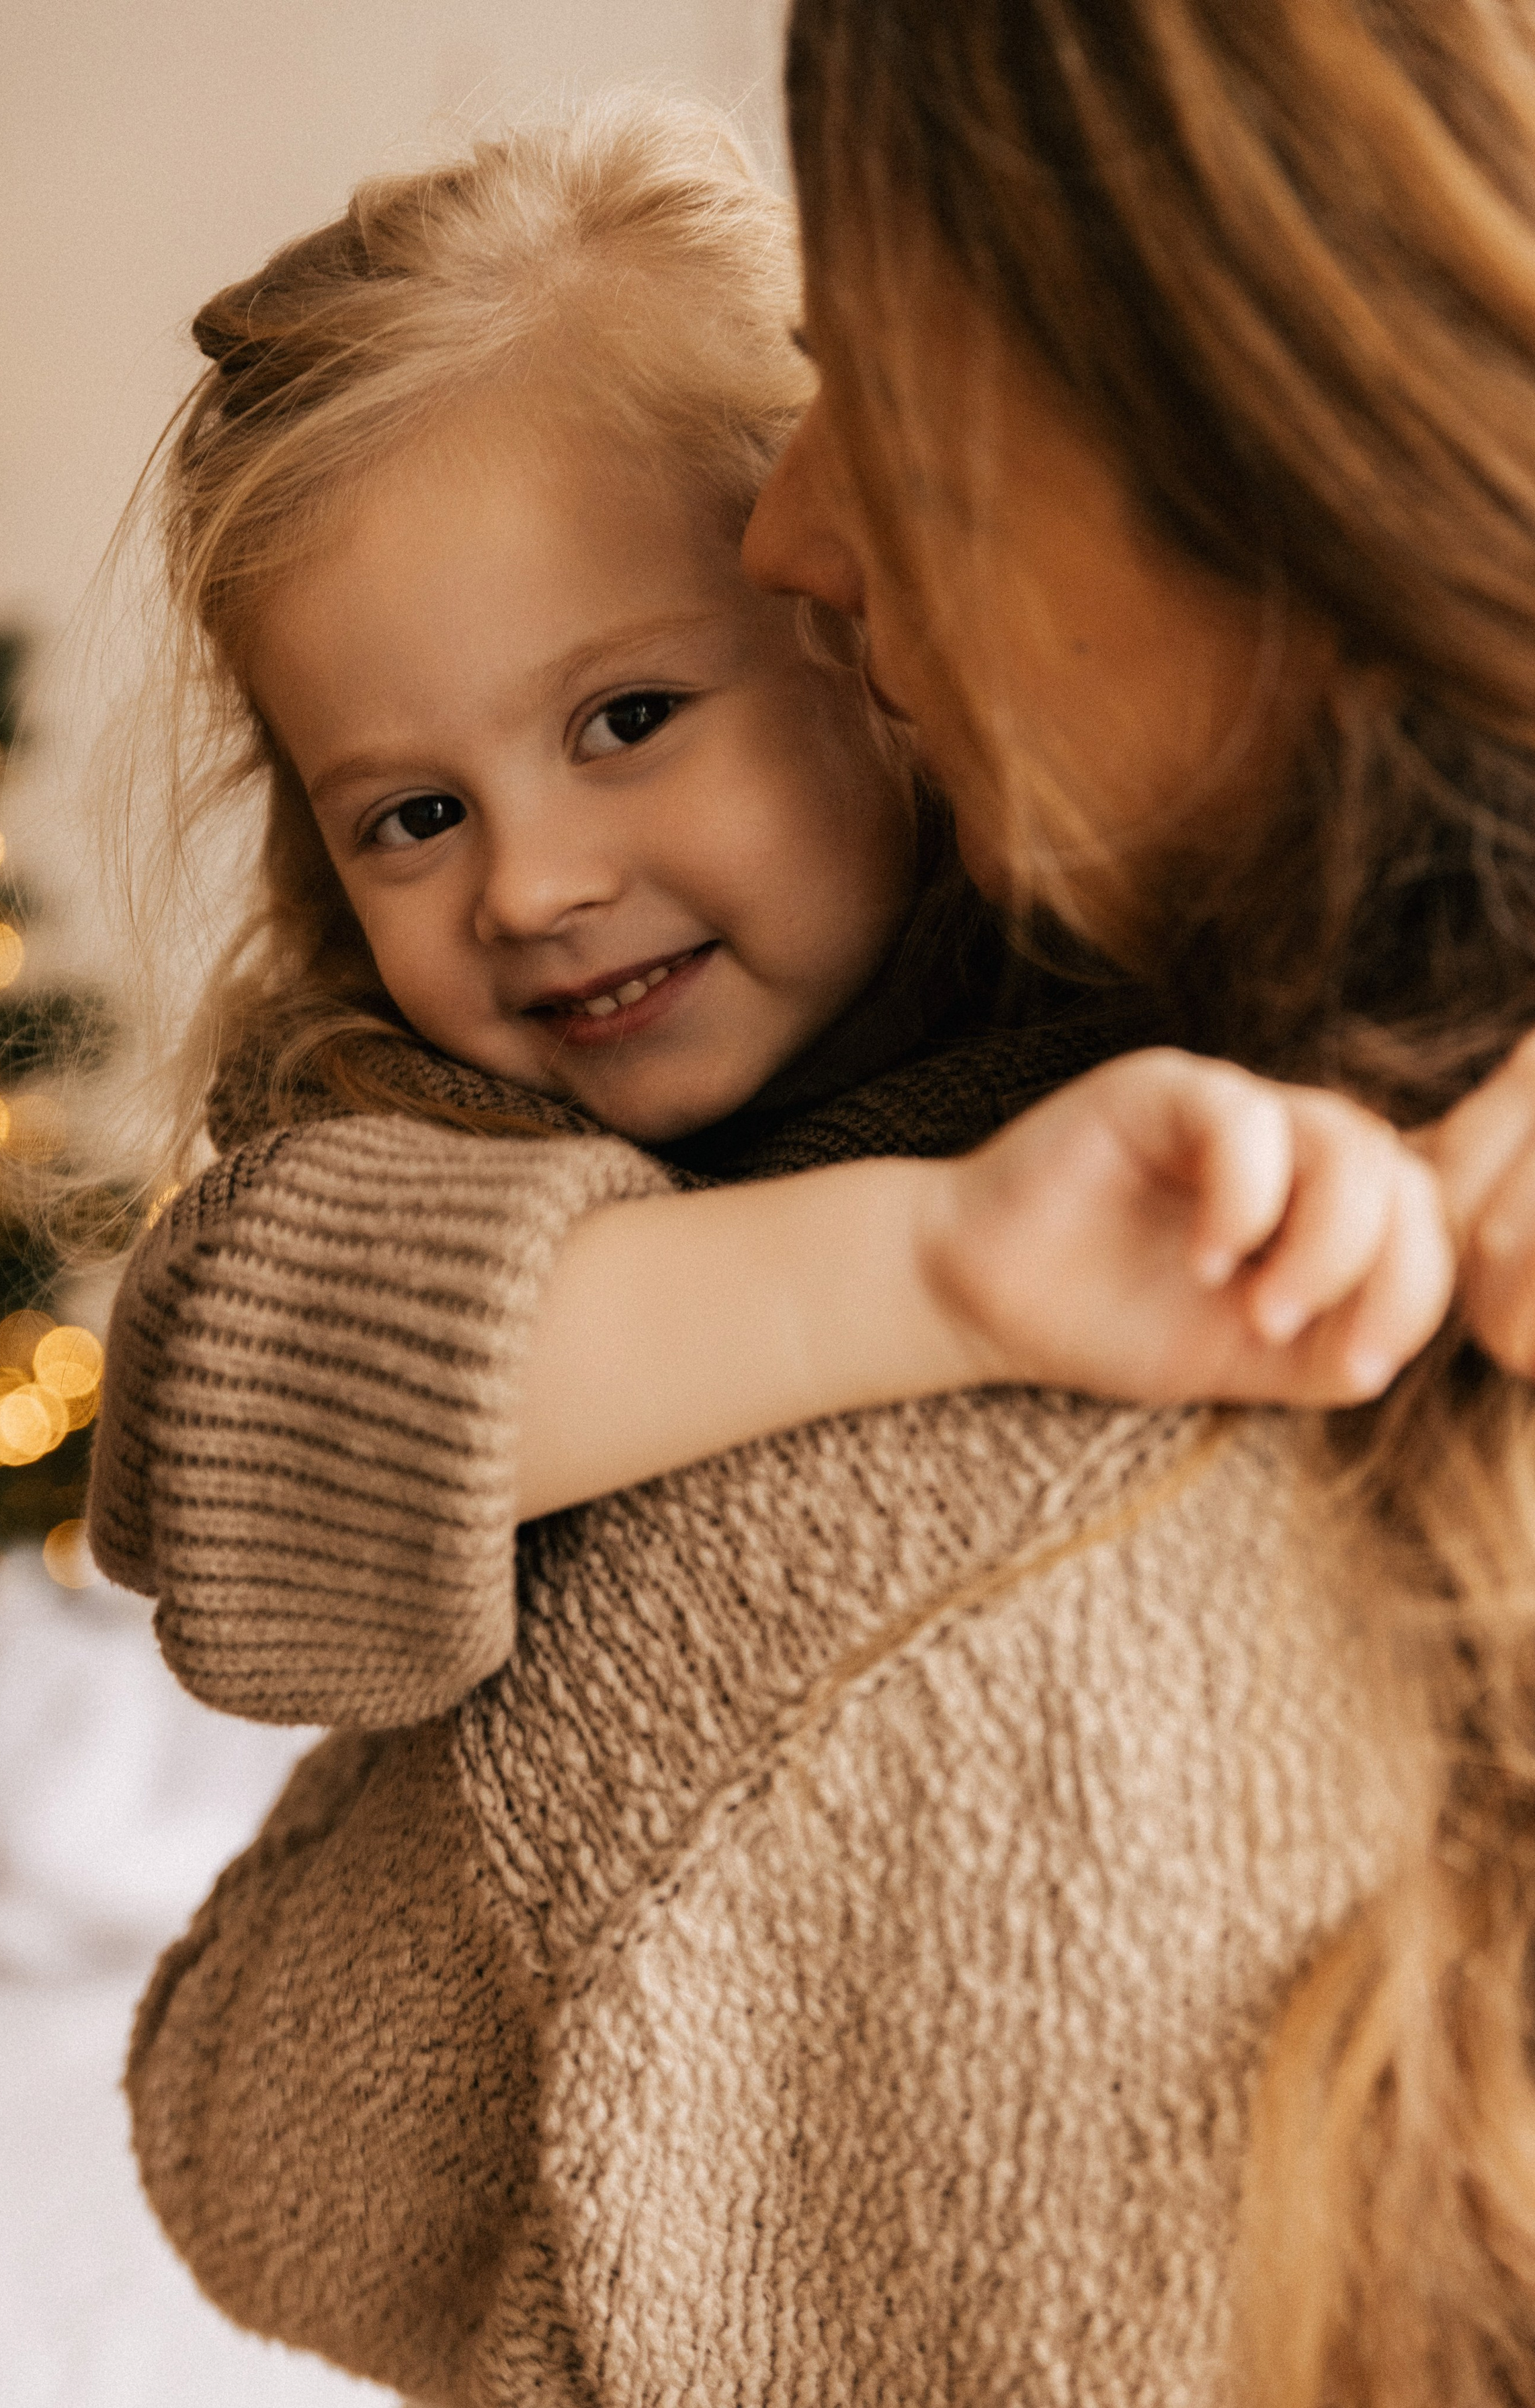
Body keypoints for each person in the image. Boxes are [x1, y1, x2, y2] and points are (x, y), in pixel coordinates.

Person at [93, 87, 1535, 2408]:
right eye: (415, 812)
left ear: (870, 632)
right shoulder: (393, 1120)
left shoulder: (1095, 969)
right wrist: (943, 1266)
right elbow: (230, 1433)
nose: (533, 881)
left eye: (630, 717)